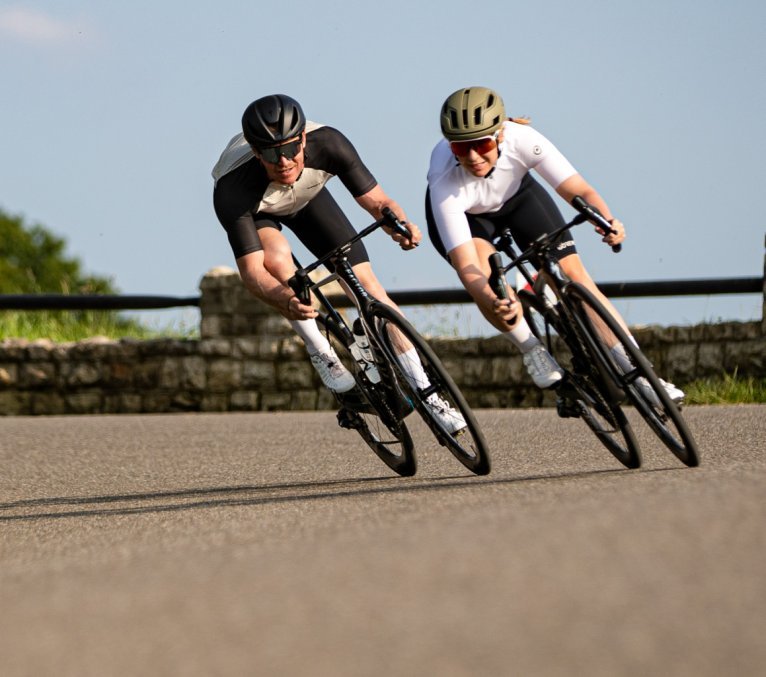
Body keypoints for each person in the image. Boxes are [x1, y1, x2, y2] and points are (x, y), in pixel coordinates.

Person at [212, 93, 467, 430]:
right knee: (278, 260)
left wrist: (399, 226)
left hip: (310, 199)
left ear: (303, 138)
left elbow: (379, 202)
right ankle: (321, 350)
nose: (284, 161)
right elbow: (252, 272)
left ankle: (429, 395)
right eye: (272, 154)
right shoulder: (233, 189)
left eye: (290, 149)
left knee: (370, 289)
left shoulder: (329, 143)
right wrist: (283, 299)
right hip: (261, 212)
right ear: (257, 152)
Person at [425, 86, 683, 404]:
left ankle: (644, 376)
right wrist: (494, 300)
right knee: (492, 283)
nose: (474, 157)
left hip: (519, 199)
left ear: (500, 134)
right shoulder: (443, 182)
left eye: (482, 144)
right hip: (470, 220)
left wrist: (606, 220)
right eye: (461, 149)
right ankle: (531, 349)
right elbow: (468, 269)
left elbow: (577, 189)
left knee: (575, 275)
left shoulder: (524, 139)